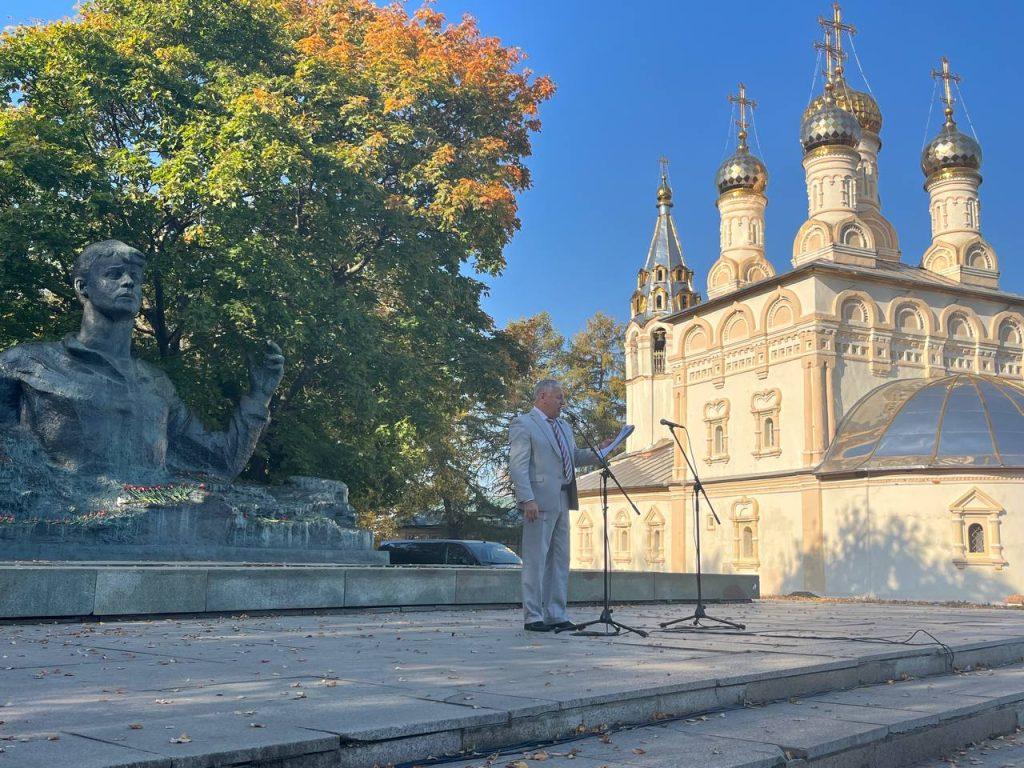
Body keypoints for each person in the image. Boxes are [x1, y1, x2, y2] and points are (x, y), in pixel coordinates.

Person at [0, 239, 284, 481]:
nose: (128, 282)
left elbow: (219, 463)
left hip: (150, 528)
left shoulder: (157, 384)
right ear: (82, 287)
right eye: (114, 274)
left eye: (135, 277)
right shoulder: (24, 364)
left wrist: (260, 396)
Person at [508, 379, 611, 632]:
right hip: (539, 500)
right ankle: (533, 616)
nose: (562, 403)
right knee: (535, 560)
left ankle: (556, 613)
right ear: (542, 396)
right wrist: (527, 498)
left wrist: (600, 450)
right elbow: (518, 464)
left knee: (560, 559)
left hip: (564, 498)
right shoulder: (524, 423)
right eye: (558, 397)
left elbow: (573, 457)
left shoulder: (563, 426)